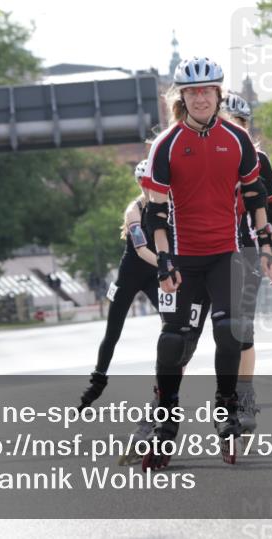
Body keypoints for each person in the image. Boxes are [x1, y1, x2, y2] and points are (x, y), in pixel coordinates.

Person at [140, 56, 272, 468]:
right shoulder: (167, 144)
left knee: (230, 332)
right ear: (182, 97)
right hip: (183, 257)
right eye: (193, 92)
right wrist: (164, 261)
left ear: (218, 94)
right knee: (173, 342)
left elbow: (256, 196)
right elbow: (155, 212)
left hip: (226, 254)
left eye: (207, 91)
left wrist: (267, 245)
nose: (200, 98)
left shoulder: (237, 140)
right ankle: (164, 425)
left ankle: (227, 411)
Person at [76, 159, 211, 409]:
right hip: (131, 274)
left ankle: (166, 383)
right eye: (143, 182)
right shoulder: (134, 210)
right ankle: (98, 380)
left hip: (154, 275)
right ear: (139, 183)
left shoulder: (169, 206)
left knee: (173, 328)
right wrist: (166, 265)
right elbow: (140, 250)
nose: (148, 186)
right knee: (113, 331)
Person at [221, 93, 272, 433]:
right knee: (182, 337)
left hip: (246, 248)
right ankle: (162, 406)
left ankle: (244, 395)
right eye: (232, 123)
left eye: (243, 124)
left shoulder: (258, 158)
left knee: (242, 328)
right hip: (203, 250)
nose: (238, 130)